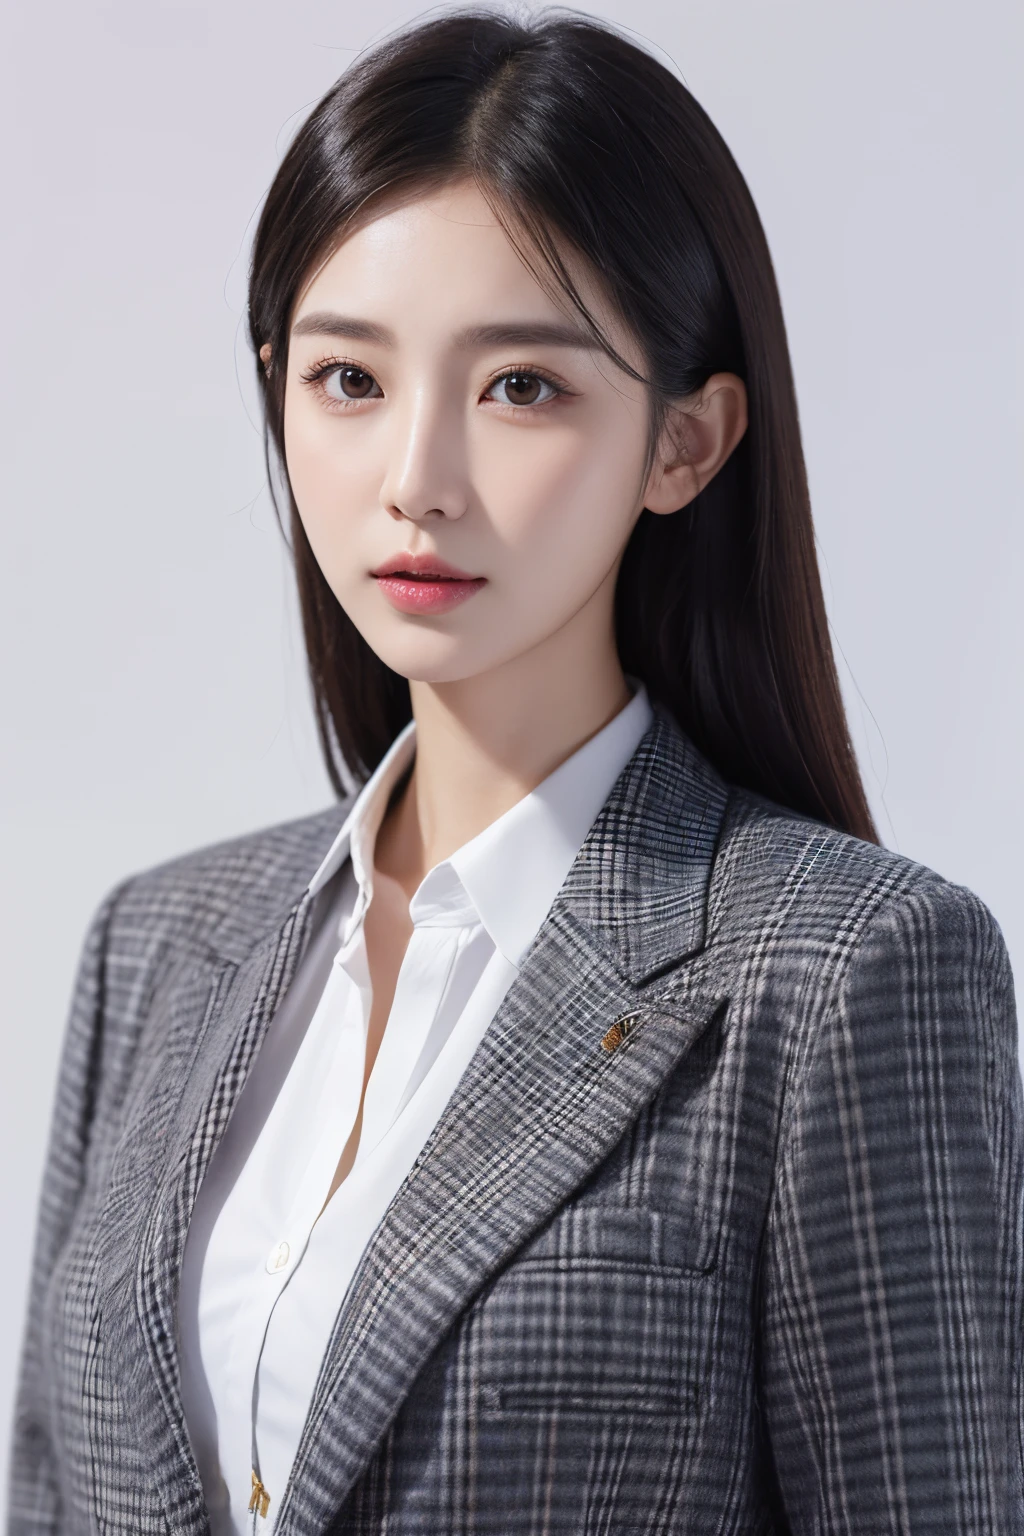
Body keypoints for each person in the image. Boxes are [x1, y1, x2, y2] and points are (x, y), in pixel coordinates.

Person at [9, 8, 1023, 1534]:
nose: (417, 477)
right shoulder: (156, 945)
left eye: (523, 388)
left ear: (685, 443)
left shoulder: (845, 976)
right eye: (349, 381)